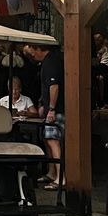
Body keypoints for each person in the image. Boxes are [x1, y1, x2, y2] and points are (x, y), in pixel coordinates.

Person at [24, 44, 64, 190]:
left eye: (32, 53)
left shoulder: (51, 62)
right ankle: (52, 172)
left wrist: (52, 108)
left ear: (39, 49)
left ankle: (61, 177)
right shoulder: (48, 62)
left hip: (56, 108)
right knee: (47, 140)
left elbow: (54, 86)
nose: (33, 57)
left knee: (53, 140)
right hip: (48, 107)